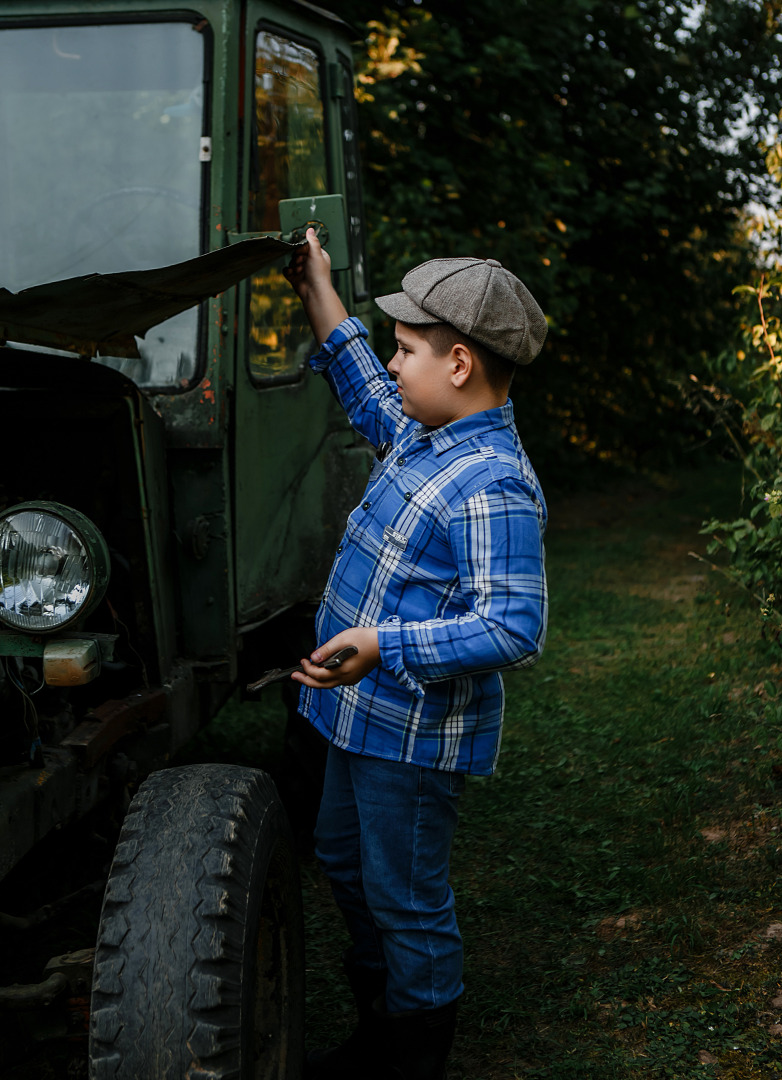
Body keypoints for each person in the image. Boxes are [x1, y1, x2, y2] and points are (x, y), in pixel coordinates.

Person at [283, 230, 548, 1080]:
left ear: (460, 363)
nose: (393, 364)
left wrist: (380, 643)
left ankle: (411, 1059)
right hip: (353, 718)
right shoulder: (423, 434)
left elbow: (513, 627)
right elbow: (362, 384)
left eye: (407, 349)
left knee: (407, 901)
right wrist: (317, 287)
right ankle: (379, 1026)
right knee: (342, 861)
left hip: (410, 738)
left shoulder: (494, 482)